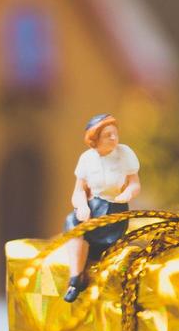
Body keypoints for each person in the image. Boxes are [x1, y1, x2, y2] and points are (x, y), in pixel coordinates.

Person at [57, 113, 141, 302]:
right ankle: (75, 279)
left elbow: (135, 183)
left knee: (99, 244)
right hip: (93, 207)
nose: (113, 138)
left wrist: (128, 193)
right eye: (107, 135)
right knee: (73, 223)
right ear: (95, 139)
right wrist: (82, 206)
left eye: (115, 133)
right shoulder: (87, 159)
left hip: (115, 209)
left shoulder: (124, 154)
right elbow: (78, 191)